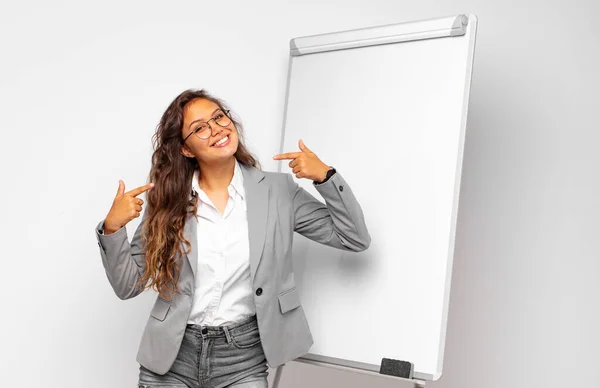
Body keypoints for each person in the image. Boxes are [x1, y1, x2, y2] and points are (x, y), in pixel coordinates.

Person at [94, 89, 371, 388]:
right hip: (172, 357)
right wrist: (112, 228)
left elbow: (354, 238)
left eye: (219, 117)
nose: (216, 129)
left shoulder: (278, 191)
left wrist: (325, 177)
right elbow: (127, 286)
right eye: (199, 128)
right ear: (186, 150)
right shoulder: (168, 200)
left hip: (243, 359)